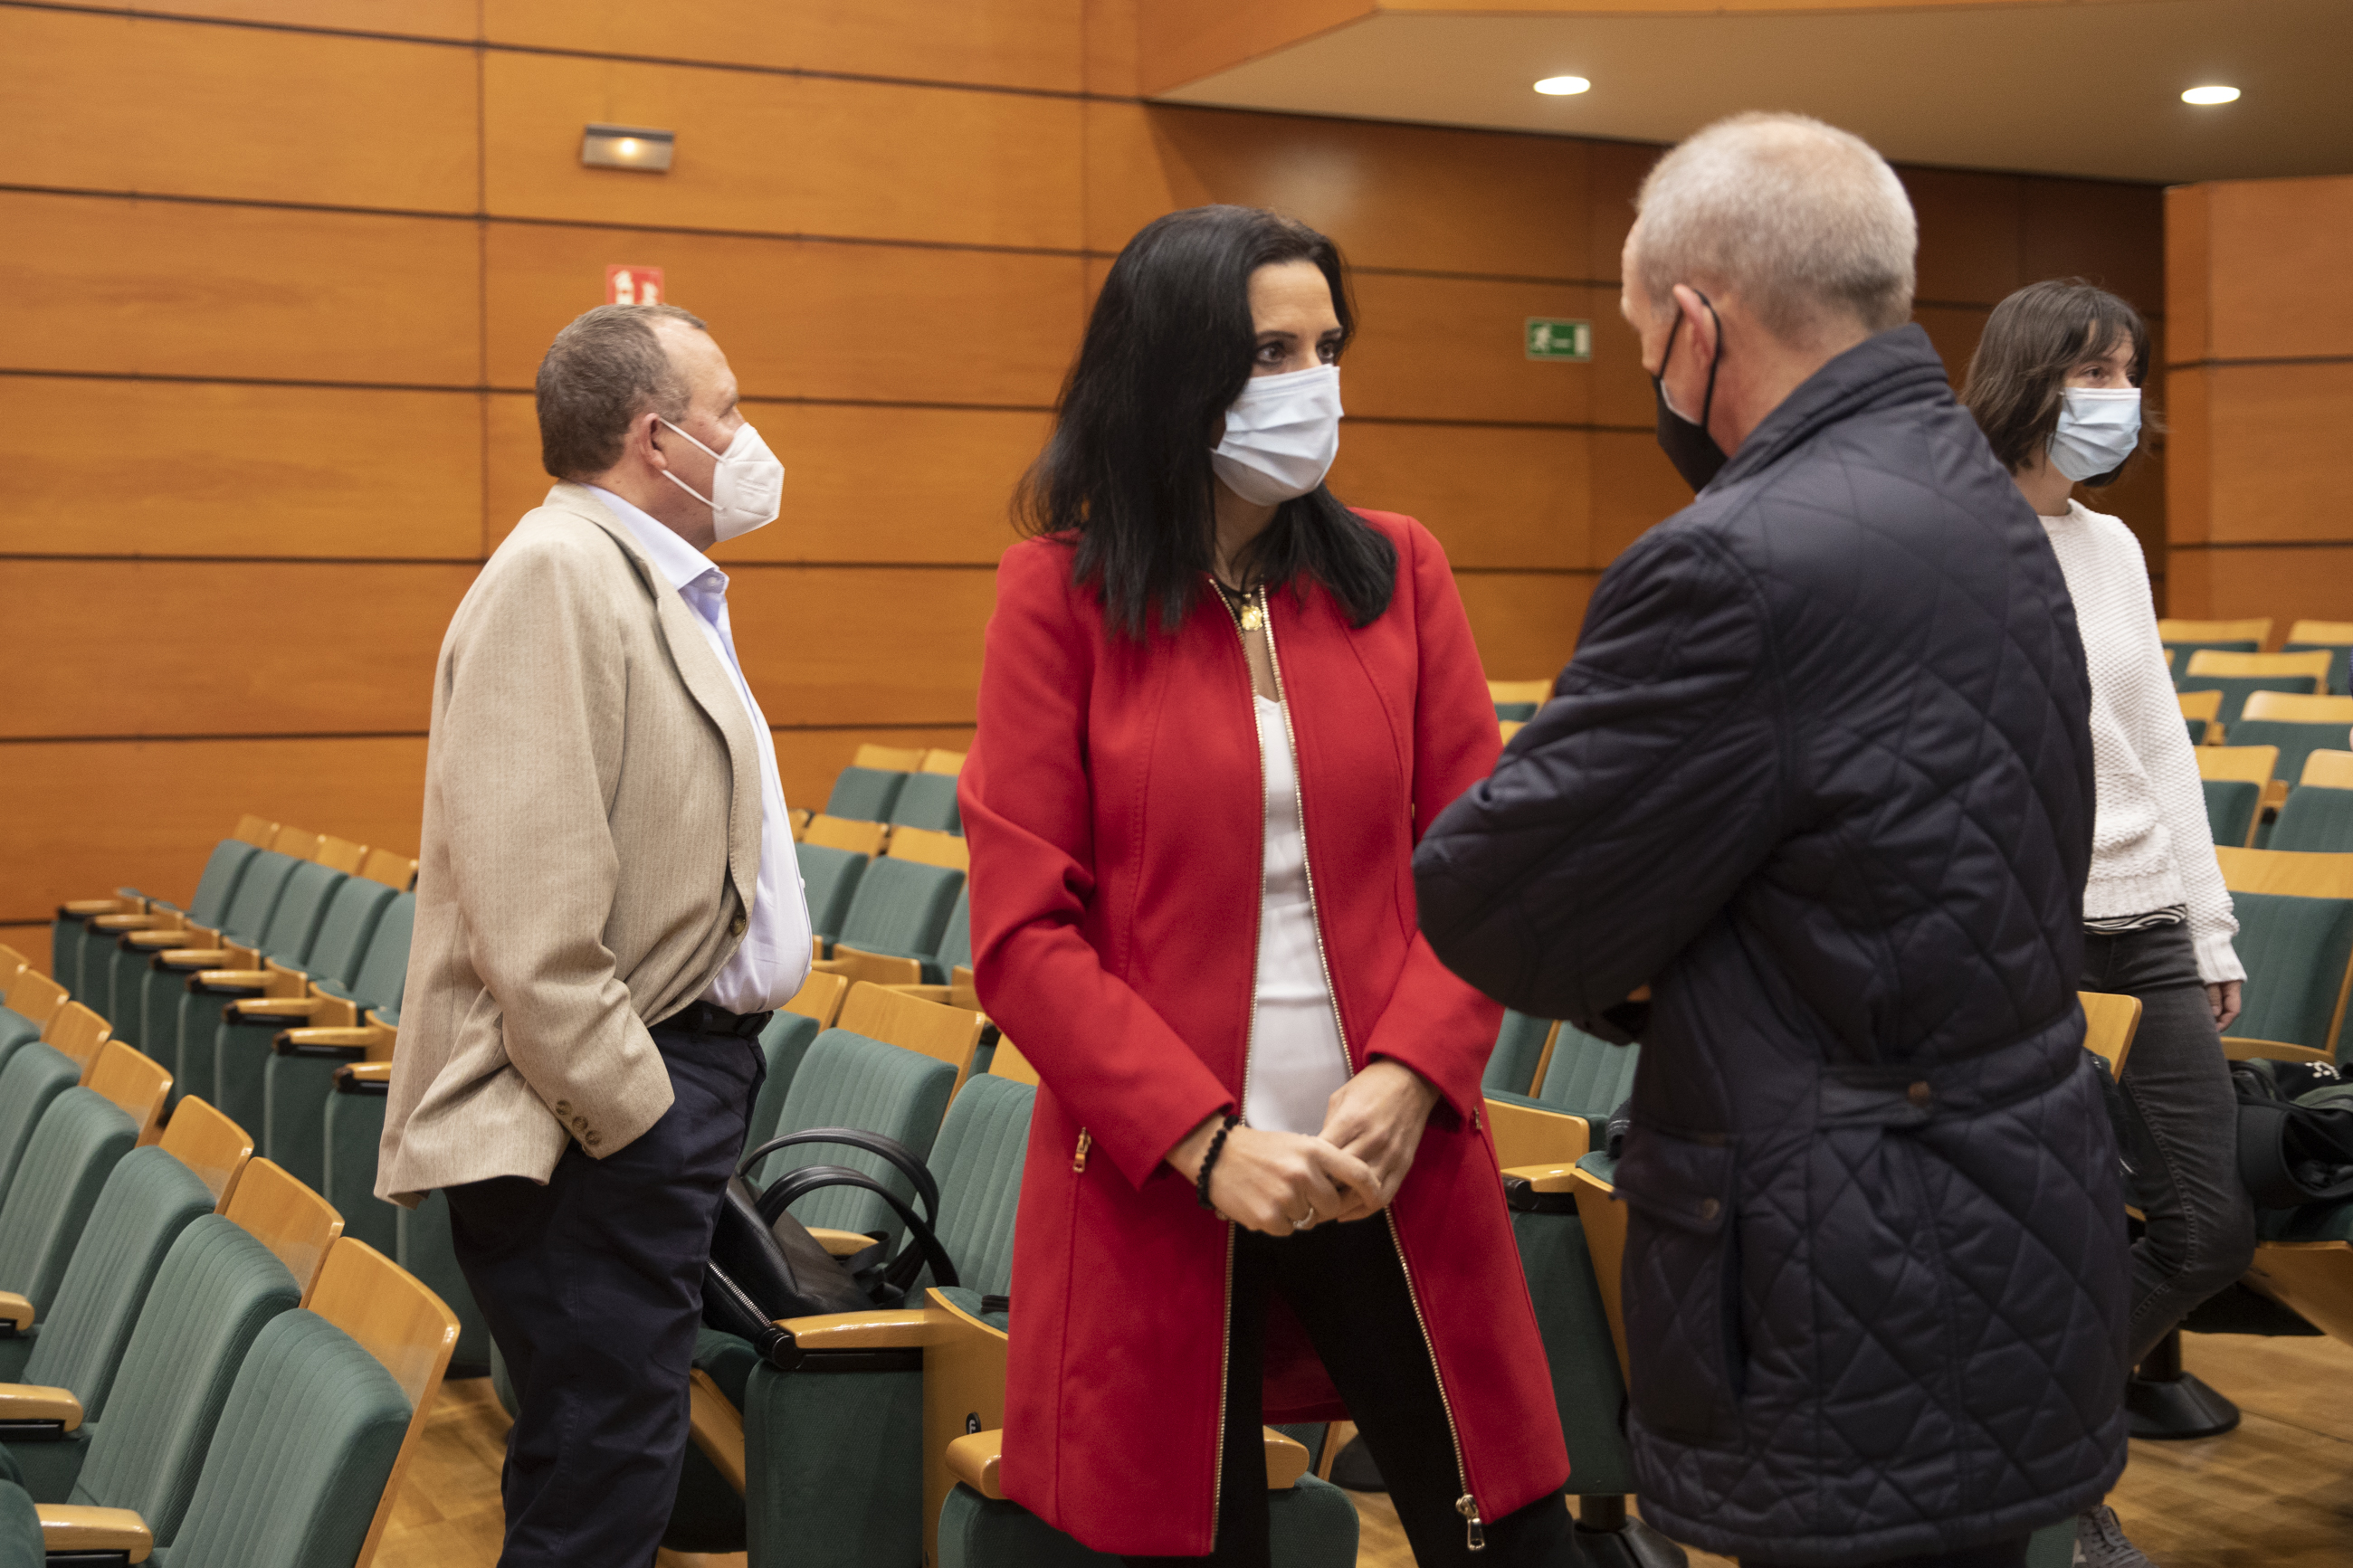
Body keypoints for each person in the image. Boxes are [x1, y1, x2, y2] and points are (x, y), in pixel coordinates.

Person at [1412, 115, 2129, 1568]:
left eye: (1635, 343)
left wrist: (1651, 954)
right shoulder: (1989, 510)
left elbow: (1491, 897)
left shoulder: (1734, 560)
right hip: (2007, 1200)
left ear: (1693, 325)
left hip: (1837, 1248)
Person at [959, 204, 1576, 1567]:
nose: (1314, 386)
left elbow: (1481, 868)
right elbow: (1020, 933)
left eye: (1327, 346)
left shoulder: (1400, 572)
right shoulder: (1053, 597)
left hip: (1393, 1154)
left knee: (1510, 1532)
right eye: (1272, 352)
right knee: (1197, 1531)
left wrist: (1413, 1072)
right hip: (1170, 1179)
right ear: (1174, 375)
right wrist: (1208, 1142)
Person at [377, 302, 811, 1566]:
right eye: (727, 410)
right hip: (604, 1117)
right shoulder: (558, 575)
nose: (747, 438)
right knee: (608, 1474)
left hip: (650, 1095)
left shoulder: (640, 577)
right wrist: (640, 1116)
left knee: (599, 1456)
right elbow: (533, 914)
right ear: (654, 435)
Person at [1962, 279, 2253, 1568]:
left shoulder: (2118, 545)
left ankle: (2019, 1424)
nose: (2116, 400)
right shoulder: (1950, 535)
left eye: (2128, 372)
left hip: (2144, 916)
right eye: (2090, 373)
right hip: (2025, 938)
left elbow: (2163, 746)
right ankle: (2070, 1497)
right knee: (2053, 1234)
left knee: (2208, 1224)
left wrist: (2212, 926)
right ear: (2026, 379)